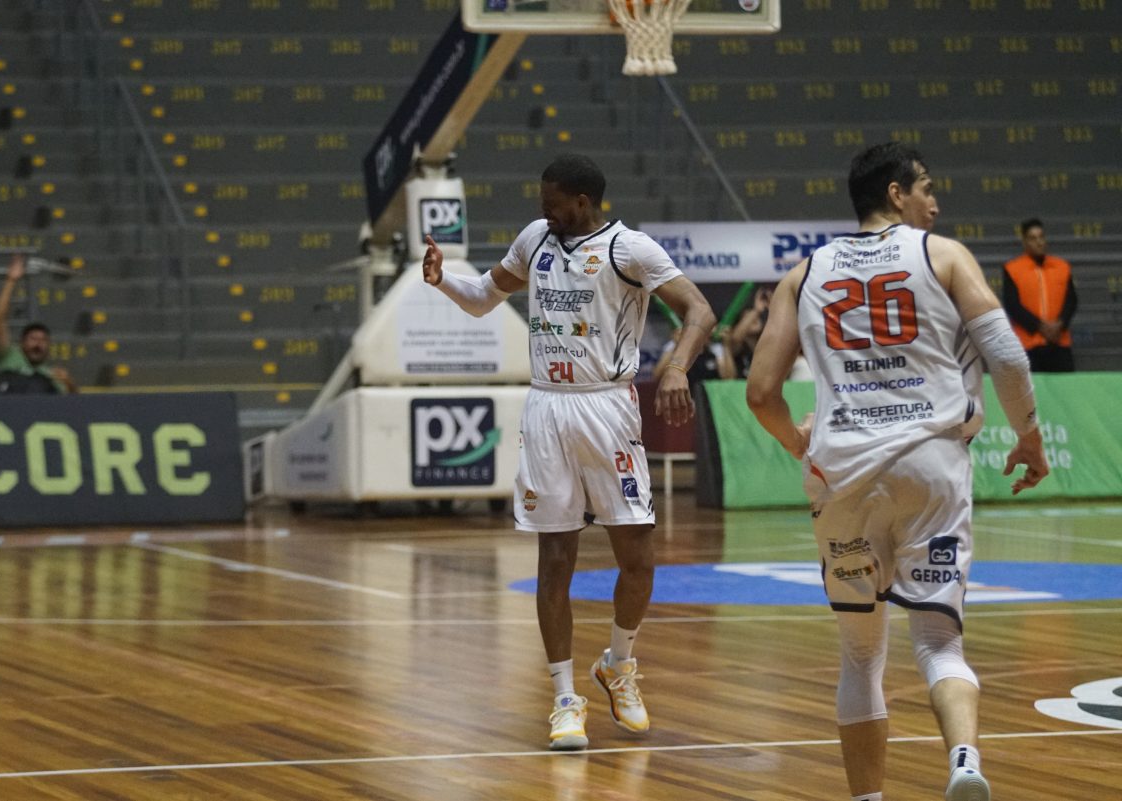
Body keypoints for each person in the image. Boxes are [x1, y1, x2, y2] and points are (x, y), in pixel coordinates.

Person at [745, 142, 1049, 801]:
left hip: (842, 472)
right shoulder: (943, 255)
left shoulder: (803, 273)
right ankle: (964, 761)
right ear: (895, 194)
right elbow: (1007, 358)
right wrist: (1029, 436)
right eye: (926, 188)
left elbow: (761, 393)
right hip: (929, 464)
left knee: (860, 655)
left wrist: (799, 445)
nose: (934, 202)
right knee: (940, 641)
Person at [423, 154, 716, 751]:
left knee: (638, 558)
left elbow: (700, 311)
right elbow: (482, 298)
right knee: (555, 560)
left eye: (553, 203)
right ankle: (563, 698)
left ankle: (618, 664)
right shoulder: (536, 239)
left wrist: (677, 366)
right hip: (547, 408)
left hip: (608, 407)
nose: (544, 211)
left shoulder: (629, 249)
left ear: (583, 202)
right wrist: (441, 280)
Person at [0, 253, 77, 394]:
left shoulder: (51, 377)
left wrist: (70, 384)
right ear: (21, 343)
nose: (38, 344)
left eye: (43, 340)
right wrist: (11, 280)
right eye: (33, 339)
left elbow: (78, 404)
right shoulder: (8, 356)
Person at [1002, 218, 1077, 372]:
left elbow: (1071, 300)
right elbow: (1012, 305)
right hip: (1027, 346)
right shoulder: (1012, 269)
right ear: (1024, 242)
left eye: (1041, 237)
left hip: (1060, 344)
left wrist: (1060, 325)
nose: (1039, 242)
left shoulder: (1062, 267)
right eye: (1033, 238)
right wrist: (1040, 326)